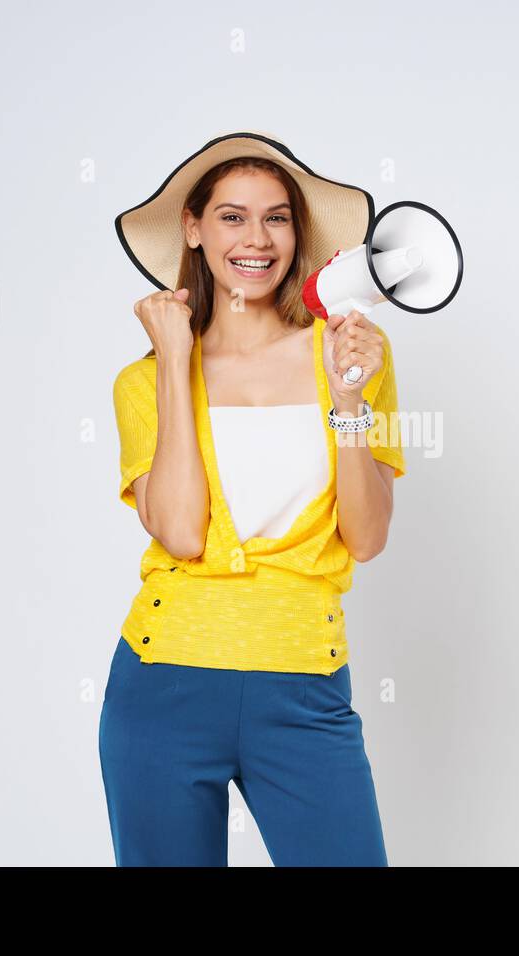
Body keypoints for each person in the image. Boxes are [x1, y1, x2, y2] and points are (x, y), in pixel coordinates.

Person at [99, 131, 407, 866]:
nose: (257, 239)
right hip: (162, 686)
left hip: (303, 684)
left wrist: (347, 400)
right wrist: (177, 359)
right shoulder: (141, 382)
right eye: (233, 216)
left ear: (297, 233)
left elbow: (366, 537)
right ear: (194, 229)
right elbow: (177, 531)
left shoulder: (355, 353)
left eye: (277, 217)